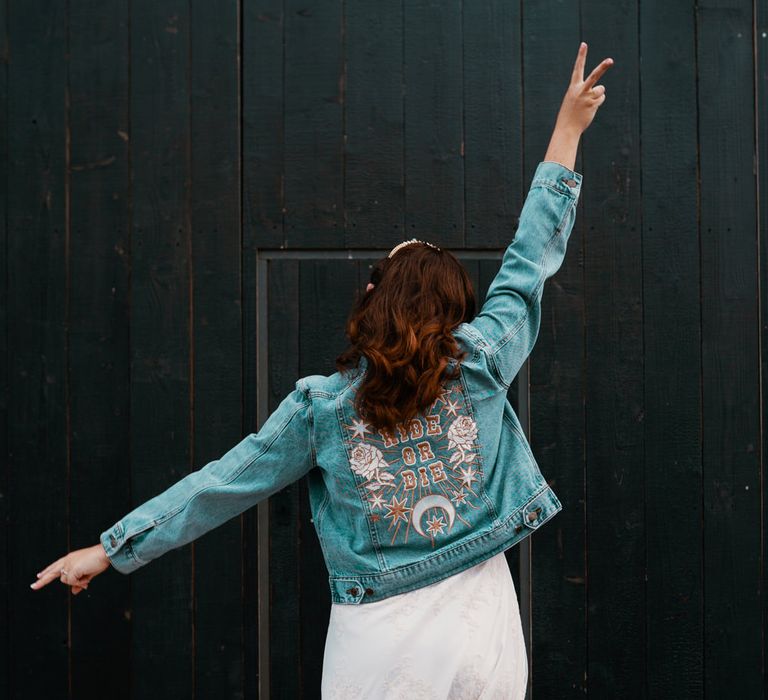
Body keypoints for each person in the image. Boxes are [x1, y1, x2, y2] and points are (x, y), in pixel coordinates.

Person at [31, 41, 612, 699]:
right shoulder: (478, 362)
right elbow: (530, 260)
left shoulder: (322, 410)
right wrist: (567, 128)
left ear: (374, 295)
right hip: (484, 624)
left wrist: (109, 550)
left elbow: (222, 484)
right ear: (449, 315)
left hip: (383, 640)